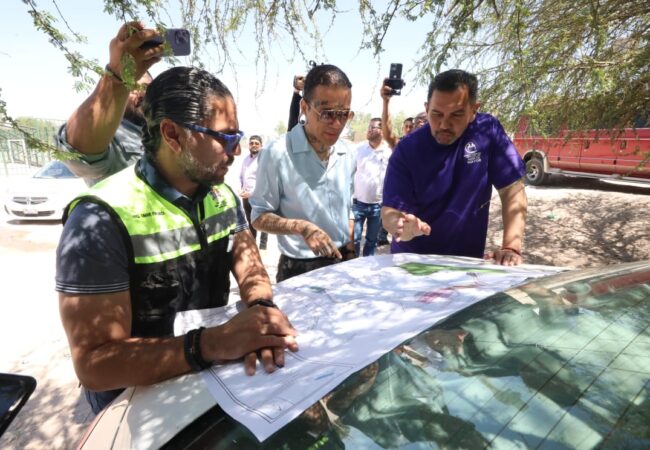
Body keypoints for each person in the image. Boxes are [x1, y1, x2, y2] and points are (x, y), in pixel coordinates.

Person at [56, 67, 298, 414]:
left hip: (207, 386)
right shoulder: (100, 219)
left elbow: (248, 264)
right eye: (225, 138)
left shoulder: (221, 196)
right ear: (172, 134)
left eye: (238, 137)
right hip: (134, 407)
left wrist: (261, 310)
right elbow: (95, 364)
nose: (236, 151)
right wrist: (212, 344)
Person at [381, 69, 527, 266]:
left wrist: (511, 247)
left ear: (473, 110)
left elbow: (512, 190)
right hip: (413, 263)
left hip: (466, 263)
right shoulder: (407, 149)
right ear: (427, 108)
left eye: (456, 114)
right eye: (436, 114)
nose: (444, 124)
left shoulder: (487, 131)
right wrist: (402, 226)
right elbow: (389, 213)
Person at [250, 64, 357, 282]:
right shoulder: (277, 153)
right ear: (305, 107)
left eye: (344, 114)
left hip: (343, 263)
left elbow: (347, 209)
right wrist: (300, 227)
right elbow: (259, 217)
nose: (337, 123)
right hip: (299, 269)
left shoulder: (347, 153)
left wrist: (350, 249)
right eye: (327, 113)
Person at [56, 22, 166, 185]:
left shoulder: (165, 132)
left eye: (145, 88)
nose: (139, 95)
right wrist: (117, 77)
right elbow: (79, 155)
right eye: (131, 87)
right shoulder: (108, 136)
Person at [352, 118, 392, 256]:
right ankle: (354, 263)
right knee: (355, 239)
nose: (369, 130)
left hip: (377, 206)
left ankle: (366, 264)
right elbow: (350, 173)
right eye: (369, 127)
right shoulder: (359, 150)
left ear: (382, 131)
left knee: (371, 241)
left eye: (373, 127)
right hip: (358, 204)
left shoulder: (388, 152)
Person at [239, 135, 268, 250]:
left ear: (261, 146)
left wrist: (251, 193)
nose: (254, 145)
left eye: (256, 143)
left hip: (259, 196)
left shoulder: (264, 160)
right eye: (252, 143)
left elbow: (265, 180)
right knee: (250, 220)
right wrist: (241, 188)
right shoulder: (246, 159)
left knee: (263, 220)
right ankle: (253, 244)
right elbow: (241, 176)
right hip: (246, 197)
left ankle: (263, 246)